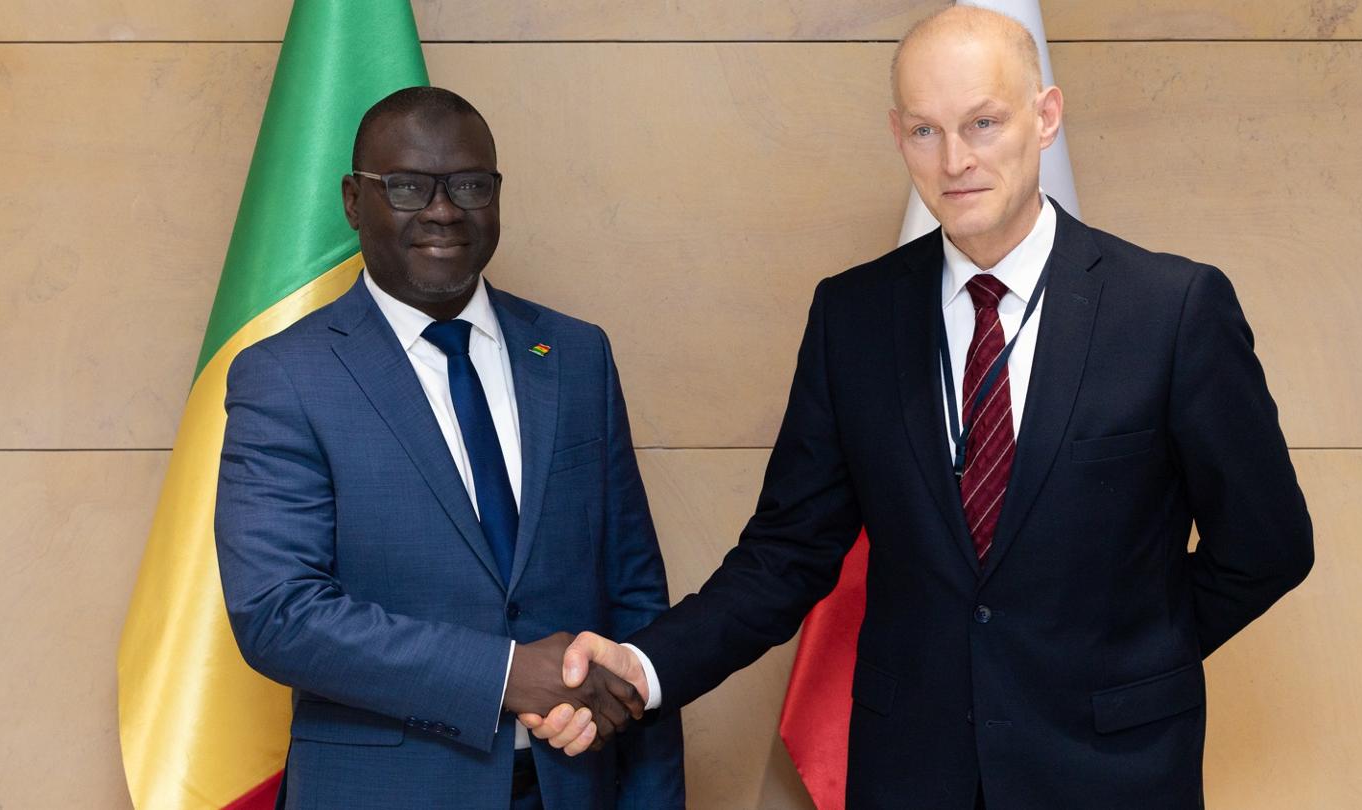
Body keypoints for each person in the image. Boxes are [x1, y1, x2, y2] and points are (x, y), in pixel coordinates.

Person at [528, 8, 1313, 808]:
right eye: (926, 132)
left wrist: (1135, 654)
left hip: (1113, 771)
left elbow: (1267, 546)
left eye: (983, 122)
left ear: (1045, 118)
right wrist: (648, 665)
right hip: (911, 775)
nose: (956, 160)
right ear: (898, 135)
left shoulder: (1172, 310)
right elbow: (786, 554)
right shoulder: (852, 316)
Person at [214, 86, 685, 810]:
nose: (442, 210)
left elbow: (636, 603)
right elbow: (281, 614)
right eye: (407, 186)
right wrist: (503, 674)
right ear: (352, 200)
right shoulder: (286, 376)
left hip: (574, 789)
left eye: (469, 185)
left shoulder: (576, 355)